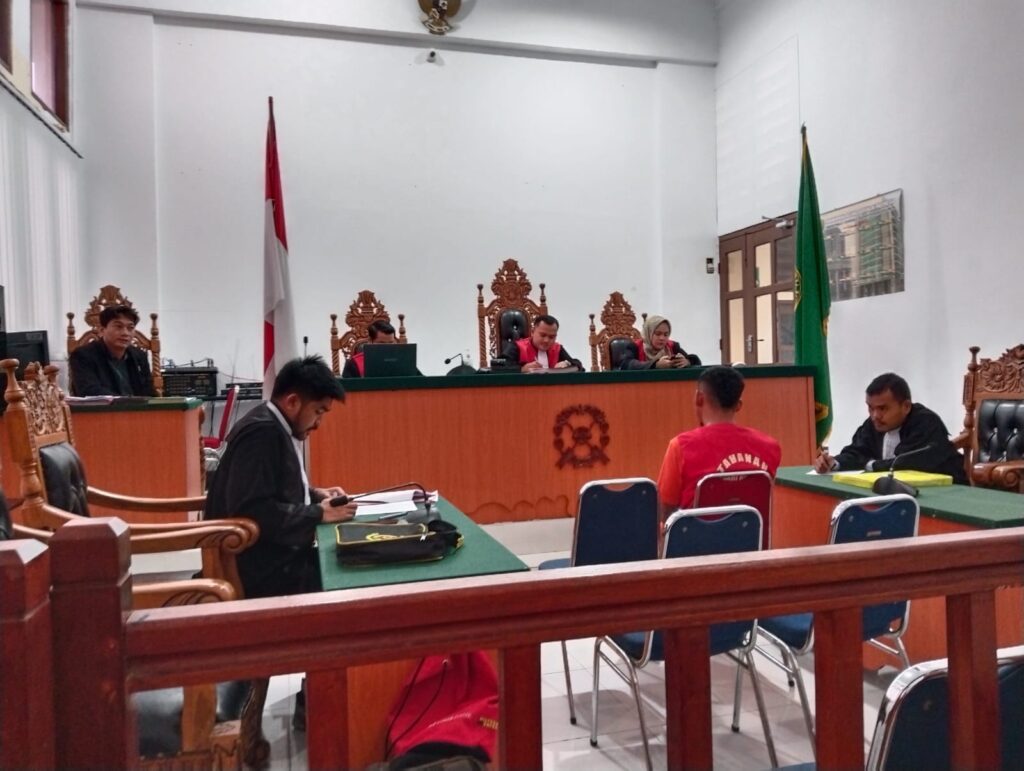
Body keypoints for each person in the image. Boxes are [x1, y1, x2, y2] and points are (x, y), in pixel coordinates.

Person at [204, 355, 358, 599]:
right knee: (355, 576)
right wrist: (319, 513)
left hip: (276, 559)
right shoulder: (262, 434)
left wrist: (314, 495)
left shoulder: (272, 422)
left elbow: (270, 488)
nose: (318, 423)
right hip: (265, 573)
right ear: (293, 402)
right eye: (318, 411)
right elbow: (253, 511)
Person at [658, 366, 781, 518]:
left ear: (699, 398)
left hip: (696, 533)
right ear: (738, 405)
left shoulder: (680, 446)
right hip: (751, 532)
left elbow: (664, 510)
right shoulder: (770, 446)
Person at [813, 372, 967, 483]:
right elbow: (857, 452)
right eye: (870, 408)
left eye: (882, 408)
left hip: (947, 493)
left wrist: (869, 465)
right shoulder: (873, 424)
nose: (875, 415)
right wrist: (834, 462)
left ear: (906, 406)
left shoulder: (926, 423)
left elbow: (905, 463)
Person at [68, 305, 156, 397]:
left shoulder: (139, 356)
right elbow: (89, 391)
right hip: (102, 406)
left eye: (130, 328)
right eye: (118, 326)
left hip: (137, 406)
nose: (125, 333)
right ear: (102, 330)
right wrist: (125, 401)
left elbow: (149, 392)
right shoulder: (83, 355)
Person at [501, 315, 582, 372]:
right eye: (543, 335)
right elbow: (498, 365)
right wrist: (522, 369)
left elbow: (577, 364)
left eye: (551, 337)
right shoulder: (518, 346)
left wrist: (567, 364)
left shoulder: (557, 348)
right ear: (533, 332)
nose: (546, 340)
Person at [618, 315, 701, 370]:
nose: (662, 338)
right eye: (658, 334)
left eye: (666, 334)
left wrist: (687, 362)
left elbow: (696, 361)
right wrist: (655, 365)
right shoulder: (635, 346)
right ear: (649, 333)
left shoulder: (672, 346)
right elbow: (626, 364)